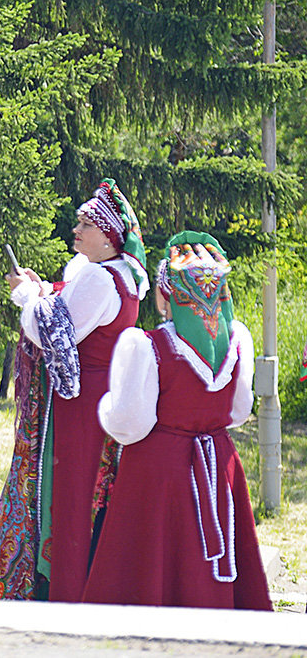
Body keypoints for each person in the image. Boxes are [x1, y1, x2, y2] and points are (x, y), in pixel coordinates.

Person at [0, 178, 148, 602]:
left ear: (109, 234)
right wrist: (41, 291)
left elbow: (52, 331)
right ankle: (76, 583)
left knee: (71, 492)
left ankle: (66, 590)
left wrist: (24, 298)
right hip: (98, 401)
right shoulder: (120, 277)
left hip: (79, 407)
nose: (76, 231)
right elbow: (66, 310)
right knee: (85, 493)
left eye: (85, 224)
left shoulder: (101, 280)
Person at [83, 232, 272, 610]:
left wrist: (106, 407)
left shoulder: (147, 345)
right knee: (204, 562)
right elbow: (237, 413)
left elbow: (129, 424)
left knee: (149, 567)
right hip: (218, 464)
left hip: (158, 472)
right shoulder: (238, 342)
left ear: (168, 296)